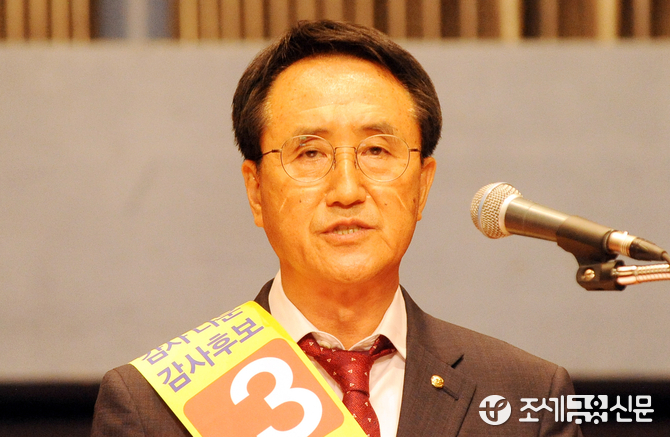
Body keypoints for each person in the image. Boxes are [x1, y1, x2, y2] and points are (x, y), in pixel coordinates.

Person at [91, 20, 582, 437]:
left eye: (377, 150)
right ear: (256, 190)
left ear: (423, 186)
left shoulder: (529, 396)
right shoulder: (152, 408)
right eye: (310, 153)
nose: (346, 189)